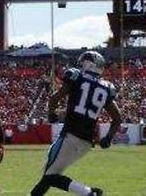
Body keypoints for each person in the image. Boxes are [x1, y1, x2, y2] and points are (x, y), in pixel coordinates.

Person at [30, 51, 122, 196]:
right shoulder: (106, 87)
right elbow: (117, 118)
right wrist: (108, 138)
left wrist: (51, 114)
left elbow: (55, 98)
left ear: (88, 63)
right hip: (86, 143)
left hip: (69, 137)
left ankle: (89, 193)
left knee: (50, 176)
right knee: (50, 175)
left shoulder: (76, 76)